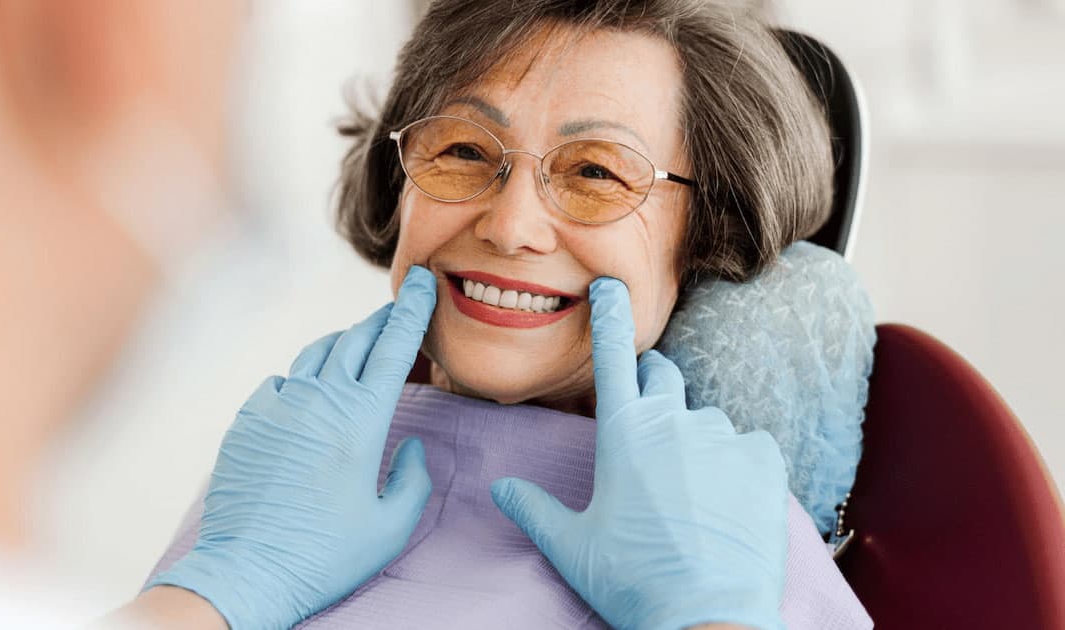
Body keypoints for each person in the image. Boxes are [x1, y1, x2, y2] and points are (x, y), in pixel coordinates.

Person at [146, 1, 868, 629]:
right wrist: (216, 590)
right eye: (463, 150)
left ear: (709, 234)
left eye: (595, 172)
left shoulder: (727, 539)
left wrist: (709, 617)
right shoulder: (282, 474)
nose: (509, 226)